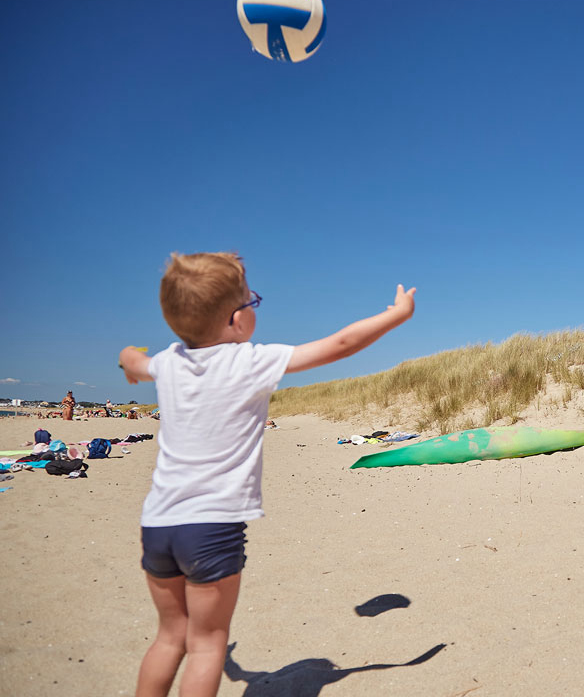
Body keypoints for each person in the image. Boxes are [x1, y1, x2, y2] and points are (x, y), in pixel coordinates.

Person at [118, 252, 416, 697]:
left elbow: (131, 361)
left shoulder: (167, 362)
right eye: (251, 301)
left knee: (170, 637)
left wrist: (129, 358)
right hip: (211, 527)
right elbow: (340, 344)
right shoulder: (249, 361)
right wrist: (397, 315)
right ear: (236, 319)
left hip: (158, 524)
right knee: (207, 644)